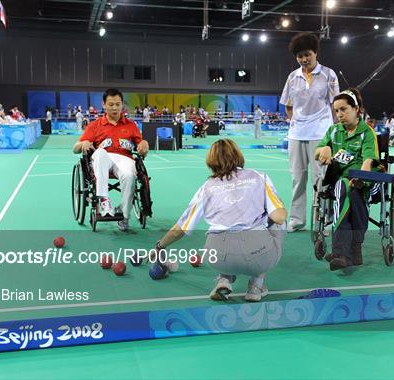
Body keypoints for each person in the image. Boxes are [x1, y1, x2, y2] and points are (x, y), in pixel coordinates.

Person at [153, 139, 287, 302]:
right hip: (257, 255)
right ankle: (255, 286)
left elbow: (180, 228)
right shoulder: (259, 177)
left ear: (211, 161)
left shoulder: (206, 187)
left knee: (222, 229)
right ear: (238, 155)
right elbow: (279, 217)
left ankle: (224, 279)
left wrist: (160, 246)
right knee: (278, 223)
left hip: (218, 258)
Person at [280, 32, 340, 233]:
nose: (304, 59)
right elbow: (288, 106)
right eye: (299, 56)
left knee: (320, 179)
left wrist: (331, 129)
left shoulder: (329, 75)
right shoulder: (292, 77)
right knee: (297, 179)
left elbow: (335, 105)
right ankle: (296, 221)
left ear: (315, 52)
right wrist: (294, 120)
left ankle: (322, 220)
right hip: (296, 134)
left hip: (320, 134)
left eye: (307, 54)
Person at [314, 88, 379, 271]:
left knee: (352, 192)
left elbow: (368, 161)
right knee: (344, 188)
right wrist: (324, 150)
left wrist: (361, 178)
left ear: (356, 109)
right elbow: (317, 152)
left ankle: (342, 252)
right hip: (339, 181)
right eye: (336, 111)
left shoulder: (367, 132)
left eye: (343, 109)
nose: (339, 115)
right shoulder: (334, 131)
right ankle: (352, 251)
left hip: (362, 181)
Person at [73, 88, 149, 231]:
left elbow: (141, 146)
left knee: (129, 176)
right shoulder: (94, 125)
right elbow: (75, 148)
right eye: (111, 104)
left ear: (122, 105)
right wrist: (83, 144)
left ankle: (124, 214)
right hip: (103, 159)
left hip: (125, 159)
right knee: (100, 152)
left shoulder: (131, 125)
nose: (114, 108)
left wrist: (144, 144)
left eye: (118, 104)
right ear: (104, 105)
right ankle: (104, 200)